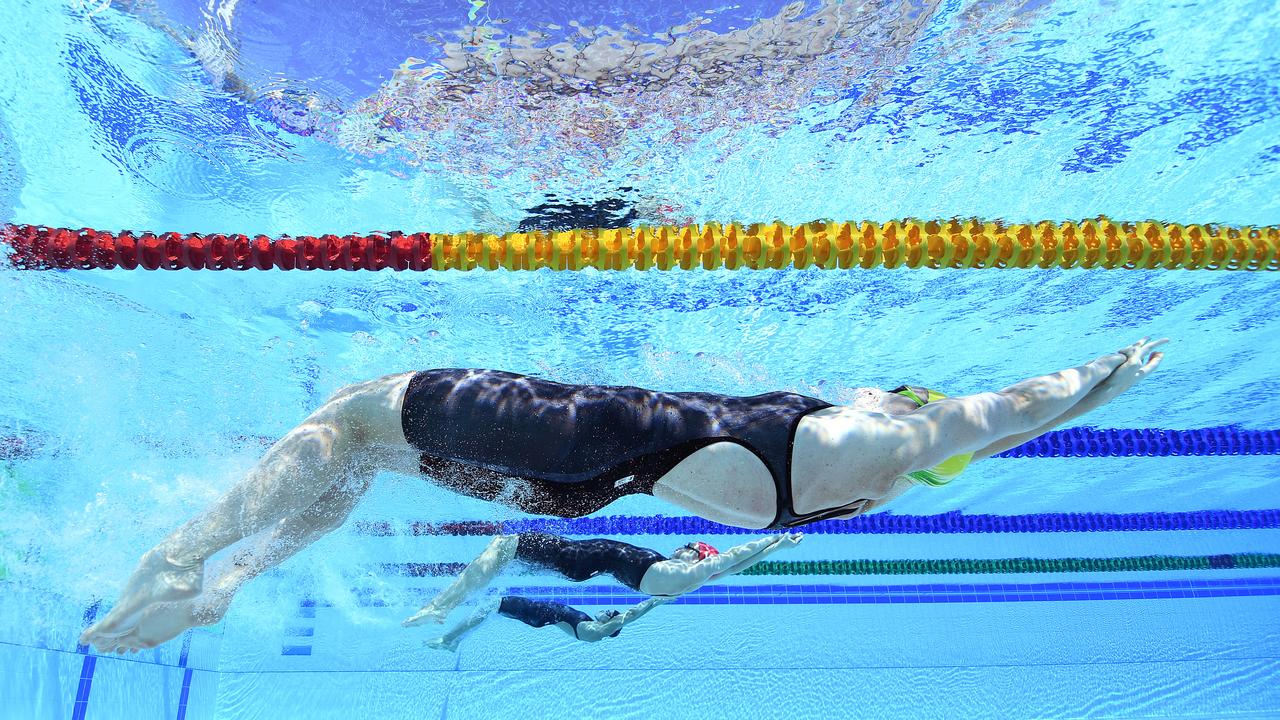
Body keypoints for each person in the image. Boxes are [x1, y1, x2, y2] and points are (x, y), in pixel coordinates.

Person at [79, 337, 1167, 652]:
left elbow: (1007, 409)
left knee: (355, 414)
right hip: (587, 489)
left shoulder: (881, 435)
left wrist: (1104, 372)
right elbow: (1013, 424)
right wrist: (1083, 401)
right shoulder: (842, 485)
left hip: (589, 436)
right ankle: (229, 584)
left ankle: (184, 555)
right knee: (363, 455)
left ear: (903, 406)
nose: (879, 383)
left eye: (898, 390)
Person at [405, 531, 802, 648]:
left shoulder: (687, 575)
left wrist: (775, 542)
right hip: (579, 561)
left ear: (698, 556)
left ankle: (440, 605)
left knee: (504, 546)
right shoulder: (678, 576)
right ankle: (443, 607)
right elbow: (735, 564)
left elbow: (732, 557)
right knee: (505, 553)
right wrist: (777, 547)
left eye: (690, 547)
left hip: (576, 559)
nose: (682, 545)